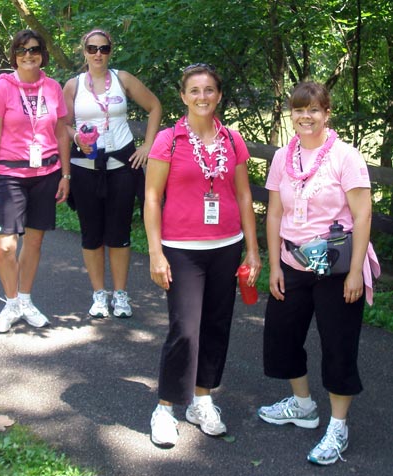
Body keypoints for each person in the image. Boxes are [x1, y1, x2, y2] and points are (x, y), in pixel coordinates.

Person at [258, 81, 380, 465]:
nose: (305, 117)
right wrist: (275, 264)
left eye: (313, 110)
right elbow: (274, 212)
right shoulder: (283, 156)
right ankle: (303, 405)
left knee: (338, 347)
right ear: (290, 114)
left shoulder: (345, 156)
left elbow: (362, 215)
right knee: (282, 337)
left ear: (327, 113)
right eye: (298, 110)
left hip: (337, 268)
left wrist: (356, 272)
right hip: (293, 264)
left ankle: (338, 426)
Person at [144, 64, 261, 448]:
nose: (202, 96)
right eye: (194, 90)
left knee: (216, 326)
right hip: (182, 251)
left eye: (209, 89)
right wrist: (156, 252)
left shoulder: (232, 139)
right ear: (183, 96)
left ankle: (202, 398)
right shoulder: (168, 140)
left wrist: (253, 248)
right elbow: (152, 197)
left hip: (226, 247)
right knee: (185, 330)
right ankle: (165, 408)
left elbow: (244, 195)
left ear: (219, 95)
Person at [0, 29, 70, 333]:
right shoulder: (2, 89)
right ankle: (11, 303)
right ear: (14, 55)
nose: (29, 55)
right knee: (5, 246)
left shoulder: (53, 88)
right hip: (8, 175)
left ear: (43, 54)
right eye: (22, 50)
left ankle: (25, 300)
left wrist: (66, 174)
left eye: (35, 50)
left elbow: (62, 132)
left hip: (46, 174)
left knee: (35, 241)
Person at [63, 28, 161, 319]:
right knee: (91, 233)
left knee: (119, 233)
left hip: (121, 166)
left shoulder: (123, 79)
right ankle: (98, 295)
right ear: (84, 51)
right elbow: (63, 124)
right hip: (85, 167)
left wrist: (148, 145)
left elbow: (155, 106)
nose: (98, 54)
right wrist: (76, 137)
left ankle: (120, 294)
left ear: (110, 51)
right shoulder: (73, 85)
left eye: (103, 49)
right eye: (92, 48)